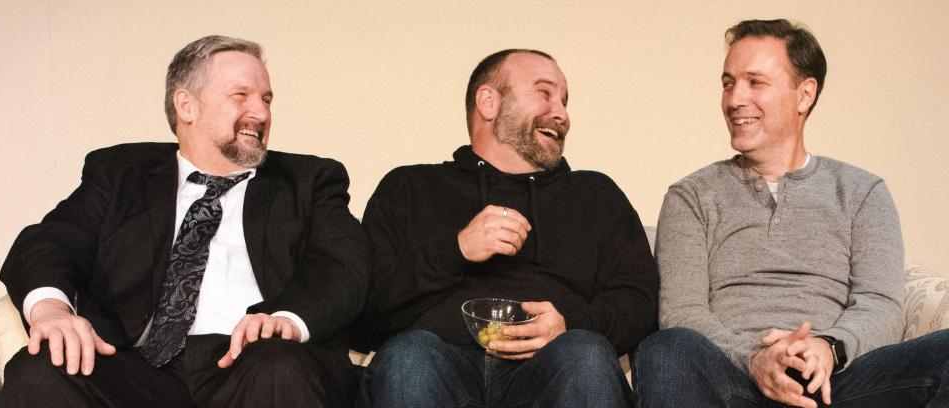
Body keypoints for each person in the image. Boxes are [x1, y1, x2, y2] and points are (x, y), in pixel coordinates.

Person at [0, 35, 368, 408]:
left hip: (252, 360)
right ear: (186, 106)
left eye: (267, 99)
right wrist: (51, 310)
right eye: (241, 96)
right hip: (135, 366)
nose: (261, 113)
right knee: (40, 368)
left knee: (279, 366)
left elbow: (343, 265)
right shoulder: (120, 174)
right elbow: (48, 242)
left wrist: (285, 319)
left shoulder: (309, 181)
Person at [633, 19, 949, 408]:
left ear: (804, 94)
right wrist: (757, 357)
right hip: (732, 380)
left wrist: (828, 347)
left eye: (755, 82)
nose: (734, 100)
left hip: (840, 382)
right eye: (728, 83)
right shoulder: (691, 196)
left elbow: (880, 303)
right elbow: (683, 312)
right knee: (666, 348)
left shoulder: (862, 191)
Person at [352, 49, 659, 408]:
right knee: (410, 355)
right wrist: (456, 250)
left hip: (554, 368)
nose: (561, 114)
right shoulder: (408, 188)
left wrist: (569, 324)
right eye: (544, 93)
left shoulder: (595, 195)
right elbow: (362, 312)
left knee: (583, 351)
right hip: (435, 366)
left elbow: (640, 302)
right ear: (488, 102)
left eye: (564, 100)